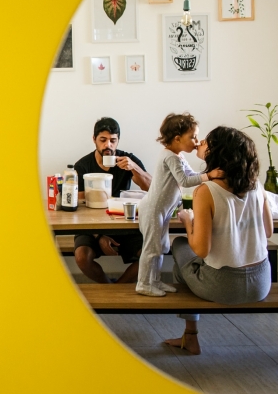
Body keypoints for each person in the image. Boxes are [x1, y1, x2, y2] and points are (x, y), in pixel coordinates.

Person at [165, 126, 273, 355]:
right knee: (187, 259)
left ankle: (190, 335)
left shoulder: (206, 191)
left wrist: (187, 220)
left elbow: (201, 250)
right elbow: (268, 232)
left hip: (223, 286)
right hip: (261, 282)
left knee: (179, 247)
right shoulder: (256, 184)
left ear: (218, 152)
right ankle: (189, 336)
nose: (200, 142)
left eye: (206, 141)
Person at [136, 113, 223, 297]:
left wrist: (209, 173)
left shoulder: (179, 156)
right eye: (193, 137)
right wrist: (209, 176)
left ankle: (155, 280)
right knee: (152, 248)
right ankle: (144, 283)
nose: (196, 141)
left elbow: (192, 175)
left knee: (161, 247)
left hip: (162, 210)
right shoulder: (170, 157)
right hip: (153, 209)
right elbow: (184, 180)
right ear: (177, 138)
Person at [73, 117, 152, 283]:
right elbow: (79, 208)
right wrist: (99, 235)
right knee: (82, 257)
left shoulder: (127, 160)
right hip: (91, 225)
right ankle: (108, 286)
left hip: (123, 222)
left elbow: (152, 189)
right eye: (103, 140)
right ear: (94, 139)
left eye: (112, 140)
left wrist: (134, 168)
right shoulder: (83, 165)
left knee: (151, 255)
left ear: (118, 141)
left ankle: (116, 290)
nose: (108, 145)